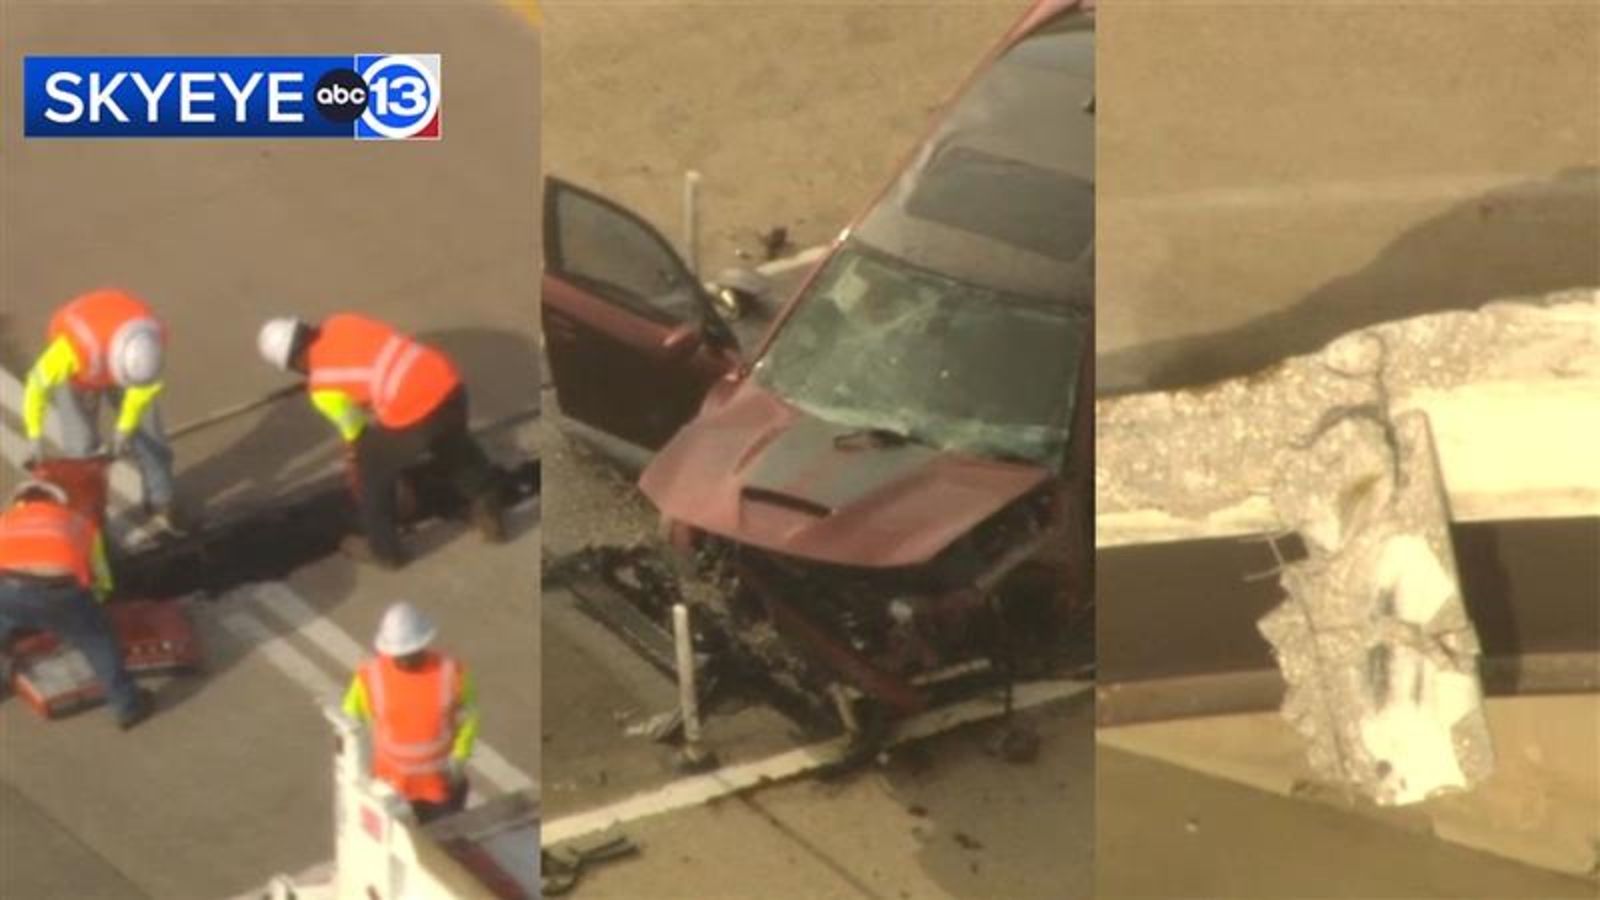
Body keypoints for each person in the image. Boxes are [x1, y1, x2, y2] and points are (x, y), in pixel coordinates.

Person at [256, 314, 505, 568]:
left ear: (292, 364)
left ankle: (384, 551)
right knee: (452, 443)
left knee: (371, 466)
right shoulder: (344, 322)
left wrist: (361, 465)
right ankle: (488, 512)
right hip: (448, 385)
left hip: (415, 414)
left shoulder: (321, 387)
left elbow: (356, 431)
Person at [0, 479, 152, 729]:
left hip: (5, 590)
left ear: (20, 503)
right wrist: (93, 612)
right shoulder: (81, 525)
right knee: (98, 639)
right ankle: (128, 707)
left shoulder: (4, 522)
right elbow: (101, 580)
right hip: (59, 593)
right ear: (59, 502)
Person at [23, 289, 179, 532]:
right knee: (81, 451)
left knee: (150, 436)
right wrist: (34, 435)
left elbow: (140, 392)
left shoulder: (150, 345)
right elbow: (36, 386)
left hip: (120, 352)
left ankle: (162, 501)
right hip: (80, 372)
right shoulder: (71, 350)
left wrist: (124, 429)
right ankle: (90, 517)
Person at [341, 602, 478, 823]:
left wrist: (460, 757)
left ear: (423, 644)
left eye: (410, 652)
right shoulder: (370, 675)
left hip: (439, 785)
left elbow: (469, 718)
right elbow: (348, 721)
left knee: (442, 847)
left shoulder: (452, 672)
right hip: (390, 787)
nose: (404, 659)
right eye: (399, 654)